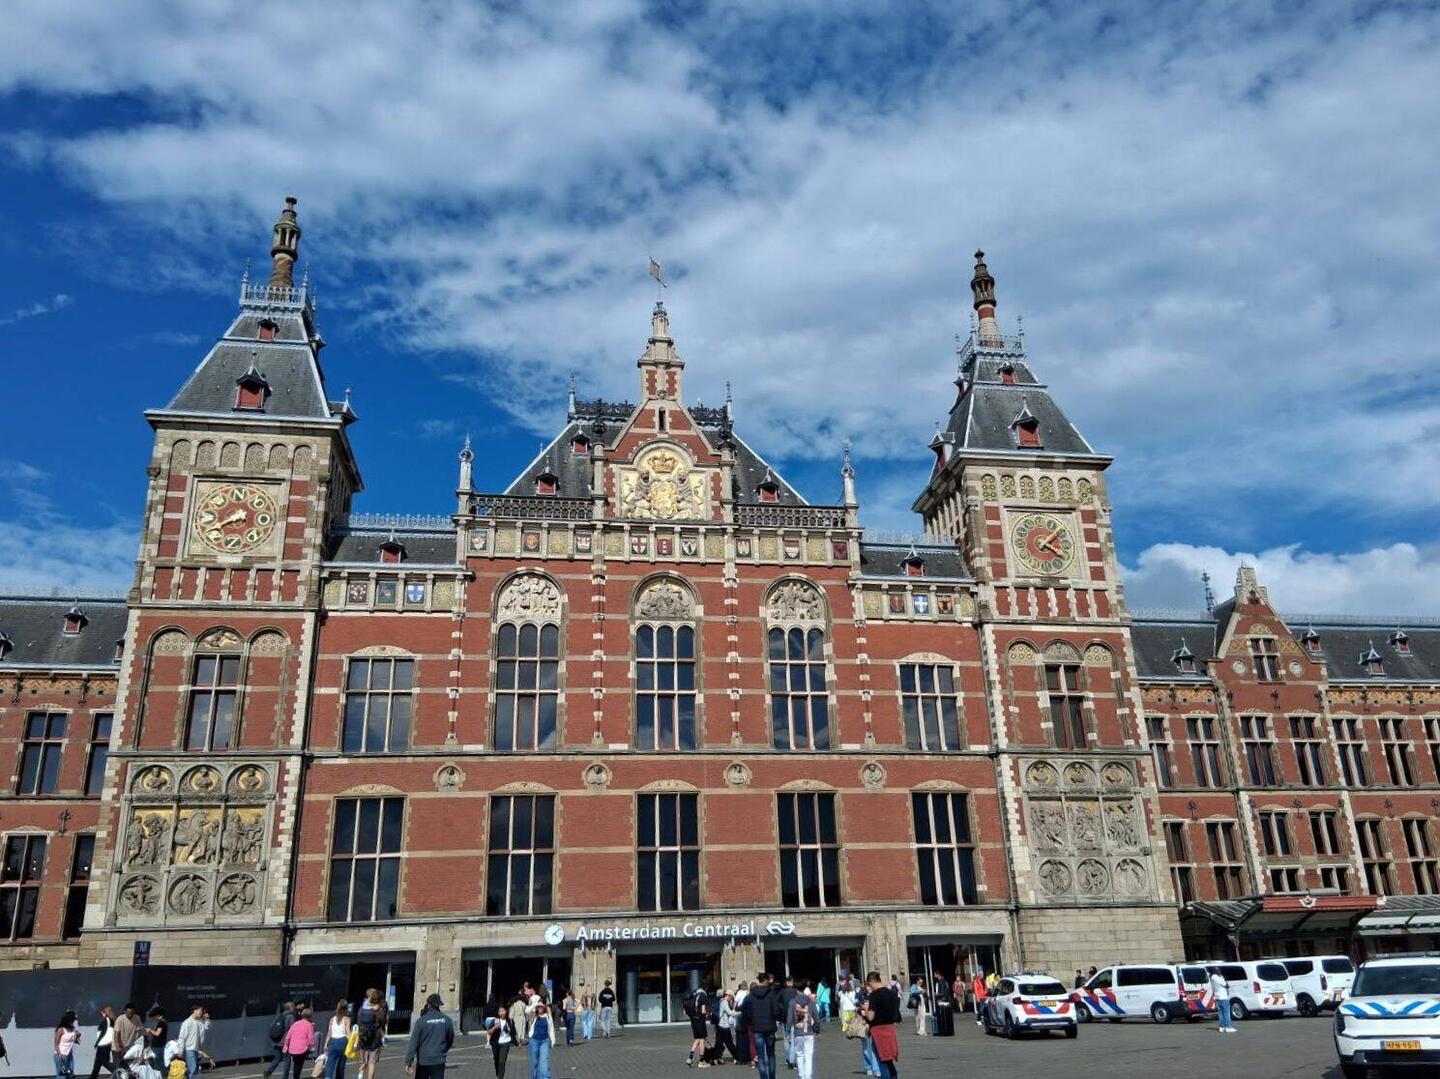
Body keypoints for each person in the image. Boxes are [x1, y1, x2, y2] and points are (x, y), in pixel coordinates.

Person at [739, 973, 783, 1079]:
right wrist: (778, 1017)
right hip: (770, 1027)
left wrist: (750, 1021)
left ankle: (763, 1077)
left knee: (761, 1056)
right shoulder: (771, 994)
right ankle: (772, 1077)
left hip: (757, 1027)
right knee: (771, 1054)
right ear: (767, 980)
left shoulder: (750, 995)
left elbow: (744, 1010)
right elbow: (776, 1011)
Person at [404, 994, 454, 1079]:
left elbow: (414, 1042)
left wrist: (409, 1061)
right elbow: (450, 1038)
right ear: (439, 1005)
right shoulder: (447, 1020)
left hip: (423, 1061)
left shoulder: (421, 1021)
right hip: (439, 1060)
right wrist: (443, 1049)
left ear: (428, 1004)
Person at [861, 972, 900, 1079]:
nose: (869, 987)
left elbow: (871, 1017)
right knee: (889, 1061)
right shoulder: (891, 993)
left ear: (871, 982)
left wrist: (864, 1012)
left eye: (869, 985)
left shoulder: (874, 995)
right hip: (890, 1029)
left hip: (878, 1031)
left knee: (882, 1061)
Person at [356, 989, 388, 1079]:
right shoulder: (379, 1011)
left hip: (363, 1038)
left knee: (363, 1062)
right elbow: (383, 1022)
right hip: (375, 1039)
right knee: (371, 1063)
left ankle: (360, 1076)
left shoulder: (362, 1009)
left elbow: (358, 1022)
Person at [264, 1002, 298, 1079]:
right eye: (294, 1007)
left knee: (277, 1058)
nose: (295, 1008)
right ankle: (284, 1077)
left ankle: (268, 1071)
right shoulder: (290, 1016)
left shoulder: (280, 1015)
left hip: (276, 1041)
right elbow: (292, 1029)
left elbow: (272, 1027)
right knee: (287, 1061)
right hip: (285, 1043)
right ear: (291, 1008)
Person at [789, 991, 819, 1079]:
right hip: (809, 1033)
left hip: (798, 1033)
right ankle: (808, 1076)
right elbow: (816, 1017)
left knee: (799, 1055)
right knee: (808, 1057)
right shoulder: (811, 1002)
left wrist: (787, 1031)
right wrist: (817, 1030)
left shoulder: (792, 1002)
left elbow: (789, 1017)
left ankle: (802, 1076)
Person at [176, 1006, 212, 1079]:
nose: (201, 1012)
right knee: (193, 1069)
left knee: (192, 1071)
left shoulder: (200, 1022)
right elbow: (182, 1037)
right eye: (200, 1010)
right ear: (194, 1011)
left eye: (202, 1011)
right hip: (189, 1049)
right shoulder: (187, 1022)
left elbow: (207, 1027)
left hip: (197, 1049)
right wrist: (180, 1050)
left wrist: (207, 1019)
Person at [281, 1008, 316, 1079]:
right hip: (302, 1048)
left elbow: (288, 1036)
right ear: (310, 1016)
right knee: (298, 1065)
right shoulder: (309, 1025)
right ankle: (296, 1076)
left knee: (295, 1063)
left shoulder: (295, 1023)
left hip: (292, 1048)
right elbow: (311, 1037)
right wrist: (312, 1046)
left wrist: (285, 1045)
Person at [323, 1000, 352, 1079]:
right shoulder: (346, 1019)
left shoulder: (332, 1019)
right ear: (346, 1009)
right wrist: (351, 1044)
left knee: (330, 1064)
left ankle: (328, 1077)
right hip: (342, 1041)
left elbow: (329, 1033)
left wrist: (325, 1044)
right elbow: (348, 1032)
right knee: (341, 1064)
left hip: (332, 1041)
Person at [486, 1006, 517, 1079]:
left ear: (506, 1011)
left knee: (502, 1061)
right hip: (495, 1043)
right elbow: (489, 1032)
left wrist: (517, 1043)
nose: (501, 1013)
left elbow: (513, 1033)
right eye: (500, 1011)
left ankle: (500, 1077)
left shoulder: (510, 1021)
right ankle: (498, 1075)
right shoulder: (495, 1021)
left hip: (506, 1043)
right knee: (496, 1060)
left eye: (503, 1011)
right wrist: (494, 1028)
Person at [113, 1003, 142, 1075]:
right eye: (128, 1013)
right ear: (125, 1011)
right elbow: (116, 1034)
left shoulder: (137, 1018)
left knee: (130, 1068)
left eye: (132, 1013)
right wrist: (119, 1047)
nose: (130, 1015)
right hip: (118, 1047)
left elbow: (138, 1032)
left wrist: (137, 1045)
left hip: (129, 1047)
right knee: (119, 1068)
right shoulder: (120, 1019)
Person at [684, 984, 709, 1068]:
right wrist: (708, 1013)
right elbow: (703, 1011)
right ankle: (701, 1061)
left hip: (693, 1020)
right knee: (702, 1039)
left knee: (697, 1038)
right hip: (700, 1020)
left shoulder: (694, 994)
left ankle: (690, 1058)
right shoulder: (703, 995)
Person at [711, 992, 739, 1065]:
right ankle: (736, 1057)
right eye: (731, 997)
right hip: (724, 1026)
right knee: (729, 1043)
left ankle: (715, 1058)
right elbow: (730, 1013)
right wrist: (740, 1013)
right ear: (728, 996)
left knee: (718, 1043)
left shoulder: (721, 1000)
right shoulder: (724, 1002)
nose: (732, 999)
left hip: (719, 1025)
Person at [89, 1006, 116, 1079]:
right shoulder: (112, 1021)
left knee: (103, 1062)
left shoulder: (106, 1021)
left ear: (105, 1013)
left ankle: (118, 1071)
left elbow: (102, 1033)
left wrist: (97, 1043)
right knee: (98, 1064)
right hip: (107, 1045)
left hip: (103, 1045)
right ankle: (92, 1077)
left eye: (103, 1012)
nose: (102, 1014)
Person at [527, 1003, 553, 1079]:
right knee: (534, 1062)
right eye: (539, 1007)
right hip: (534, 1041)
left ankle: (545, 1077)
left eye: (542, 1007)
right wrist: (536, 1004)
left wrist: (552, 1040)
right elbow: (527, 1011)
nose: (540, 1008)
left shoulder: (548, 1016)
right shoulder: (533, 1015)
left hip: (545, 1041)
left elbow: (551, 1029)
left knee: (544, 1061)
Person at [777, 977, 798, 1070]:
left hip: (784, 1018)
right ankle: (791, 1061)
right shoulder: (795, 992)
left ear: (786, 982)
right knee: (793, 1040)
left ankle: (787, 1059)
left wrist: (781, 1010)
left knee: (786, 1040)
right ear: (792, 982)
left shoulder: (781, 992)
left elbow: (776, 1002)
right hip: (793, 1019)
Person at [1209, 968, 1236, 1033]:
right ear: (1215, 971)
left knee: (1221, 1013)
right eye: (1218, 970)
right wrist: (1223, 979)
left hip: (1217, 997)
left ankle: (1222, 1027)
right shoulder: (1216, 977)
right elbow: (1226, 985)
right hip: (1223, 997)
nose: (1220, 971)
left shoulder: (1212, 978)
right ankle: (1228, 1027)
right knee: (1226, 1013)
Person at [54, 1011, 80, 1079]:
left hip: (69, 1055)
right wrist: (60, 1054)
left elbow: (76, 1041)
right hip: (60, 1055)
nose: (74, 1021)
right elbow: (56, 1044)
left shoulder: (72, 1029)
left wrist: (77, 1037)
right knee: (61, 1076)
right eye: (73, 1020)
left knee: (70, 1074)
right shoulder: (61, 1030)